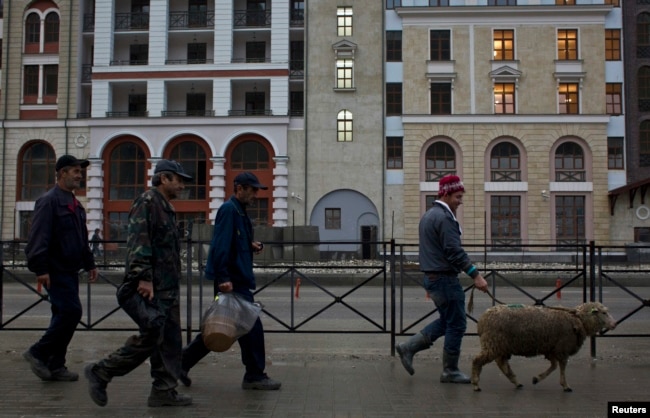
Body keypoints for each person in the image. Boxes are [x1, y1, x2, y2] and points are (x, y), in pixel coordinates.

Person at [84, 160, 193, 408]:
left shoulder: (165, 206)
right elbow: (139, 242)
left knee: (170, 340)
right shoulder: (147, 202)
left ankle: (164, 390)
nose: (182, 184)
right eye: (178, 179)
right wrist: (143, 277)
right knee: (152, 337)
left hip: (167, 286)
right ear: (164, 178)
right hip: (152, 286)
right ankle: (102, 371)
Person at [180, 172, 281, 391]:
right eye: (253, 190)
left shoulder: (240, 212)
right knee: (248, 326)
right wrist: (223, 278)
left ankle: (180, 364)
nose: (256, 195)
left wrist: (250, 244)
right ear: (240, 188)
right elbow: (220, 245)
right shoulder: (229, 210)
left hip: (238, 279)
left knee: (225, 326)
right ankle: (254, 375)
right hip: (232, 281)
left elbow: (234, 241)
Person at [395, 174, 488, 384]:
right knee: (457, 324)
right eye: (457, 196)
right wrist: (476, 275)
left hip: (433, 277)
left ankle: (408, 347)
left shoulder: (429, 215)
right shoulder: (445, 218)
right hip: (445, 279)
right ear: (445, 193)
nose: (460, 201)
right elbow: (454, 250)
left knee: (448, 321)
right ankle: (450, 370)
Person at [23, 155, 98, 382]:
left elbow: (81, 239)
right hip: (54, 270)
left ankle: (56, 365)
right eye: (75, 171)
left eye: (80, 171)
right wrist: (40, 268)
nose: (80, 175)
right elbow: (39, 237)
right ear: (62, 173)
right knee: (71, 312)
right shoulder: (49, 201)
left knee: (61, 315)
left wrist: (90, 262)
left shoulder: (75, 204)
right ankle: (37, 352)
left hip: (70, 270)